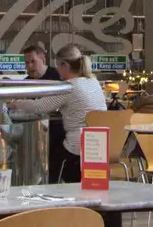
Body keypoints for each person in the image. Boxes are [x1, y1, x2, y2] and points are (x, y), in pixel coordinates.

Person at [7, 44, 106, 182]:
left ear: (65, 65)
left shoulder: (69, 86)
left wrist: (15, 104)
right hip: (99, 144)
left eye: (59, 66)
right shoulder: (93, 81)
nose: (58, 71)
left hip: (78, 146)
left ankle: (50, 191)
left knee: (48, 158)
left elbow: (39, 106)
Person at [23, 42, 68, 183]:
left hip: (57, 129)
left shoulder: (58, 77)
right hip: (33, 130)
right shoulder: (25, 83)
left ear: (43, 60)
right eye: (26, 63)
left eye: (33, 61)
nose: (29, 66)